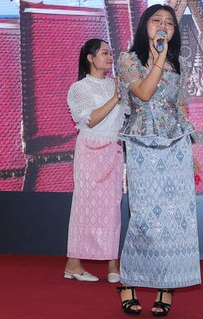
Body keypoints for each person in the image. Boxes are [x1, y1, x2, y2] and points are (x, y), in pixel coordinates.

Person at [116, 4, 201, 316]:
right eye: (157, 21)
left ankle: (167, 285)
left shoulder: (177, 62)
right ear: (145, 26)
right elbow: (144, 93)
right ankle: (128, 281)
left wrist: (189, 151)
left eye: (170, 22)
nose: (164, 26)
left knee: (177, 217)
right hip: (142, 145)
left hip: (176, 145)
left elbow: (178, 107)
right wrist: (159, 57)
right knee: (144, 217)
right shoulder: (129, 59)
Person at [64, 38, 125, 283]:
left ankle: (113, 264)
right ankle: (73, 264)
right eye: (104, 53)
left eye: (111, 53)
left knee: (112, 208)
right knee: (84, 206)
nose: (110, 57)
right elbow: (90, 120)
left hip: (113, 150)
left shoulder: (115, 84)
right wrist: (116, 98)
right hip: (90, 150)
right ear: (90, 58)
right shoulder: (79, 88)